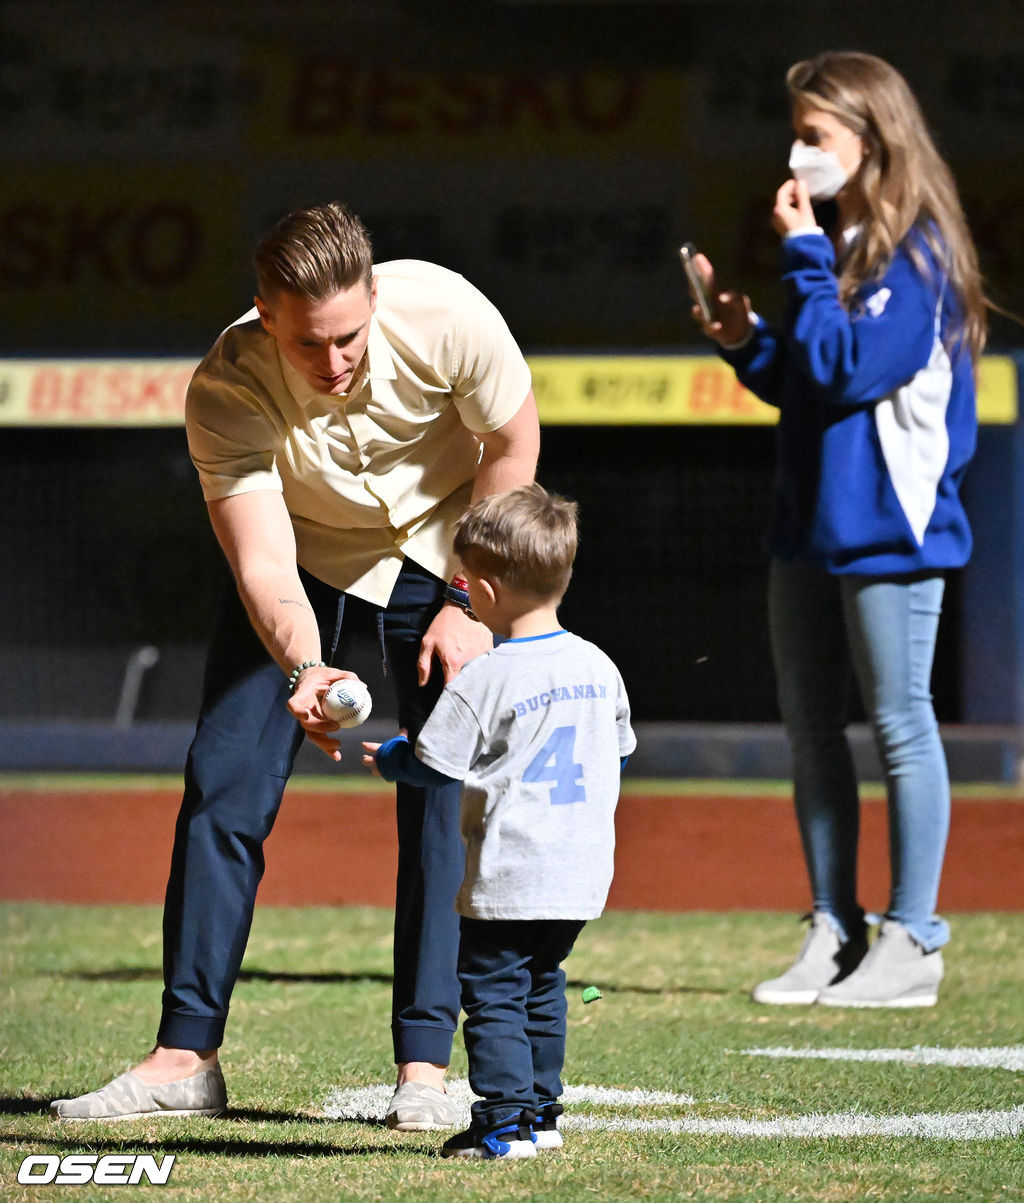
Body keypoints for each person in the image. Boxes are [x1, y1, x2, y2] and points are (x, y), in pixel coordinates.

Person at [49, 202, 540, 1124]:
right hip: (304, 556)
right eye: (309, 344)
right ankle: (185, 1056)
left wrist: (472, 600)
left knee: (439, 794)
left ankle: (426, 1072)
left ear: (376, 298)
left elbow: (513, 447)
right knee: (225, 780)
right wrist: (304, 666)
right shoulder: (225, 386)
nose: (335, 363)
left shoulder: (451, 315)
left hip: (443, 554)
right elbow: (263, 560)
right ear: (265, 316)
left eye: (351, 336)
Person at [689, 52, 986, 1007]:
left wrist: (806, 259)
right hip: (810, 526)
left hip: (893, 530)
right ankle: (834, 927)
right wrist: (747, 342)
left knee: (901, 724)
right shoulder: (848, 246)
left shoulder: (917, 253)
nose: (798, 150)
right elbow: (813, 377)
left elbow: (855, 369)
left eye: (815, 134)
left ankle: (914, 940)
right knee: (813, 731)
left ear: (873, 139)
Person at [363, 484, 636, 1159]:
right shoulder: (599, 665)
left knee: (491, 994)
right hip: (577, 870)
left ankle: (505, 1122)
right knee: (543, 985)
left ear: (481, 589)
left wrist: (394, 756)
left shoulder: (486, 675)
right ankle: (543, 1112)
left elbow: (434, 764)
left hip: (512, 869)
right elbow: (619, 747)